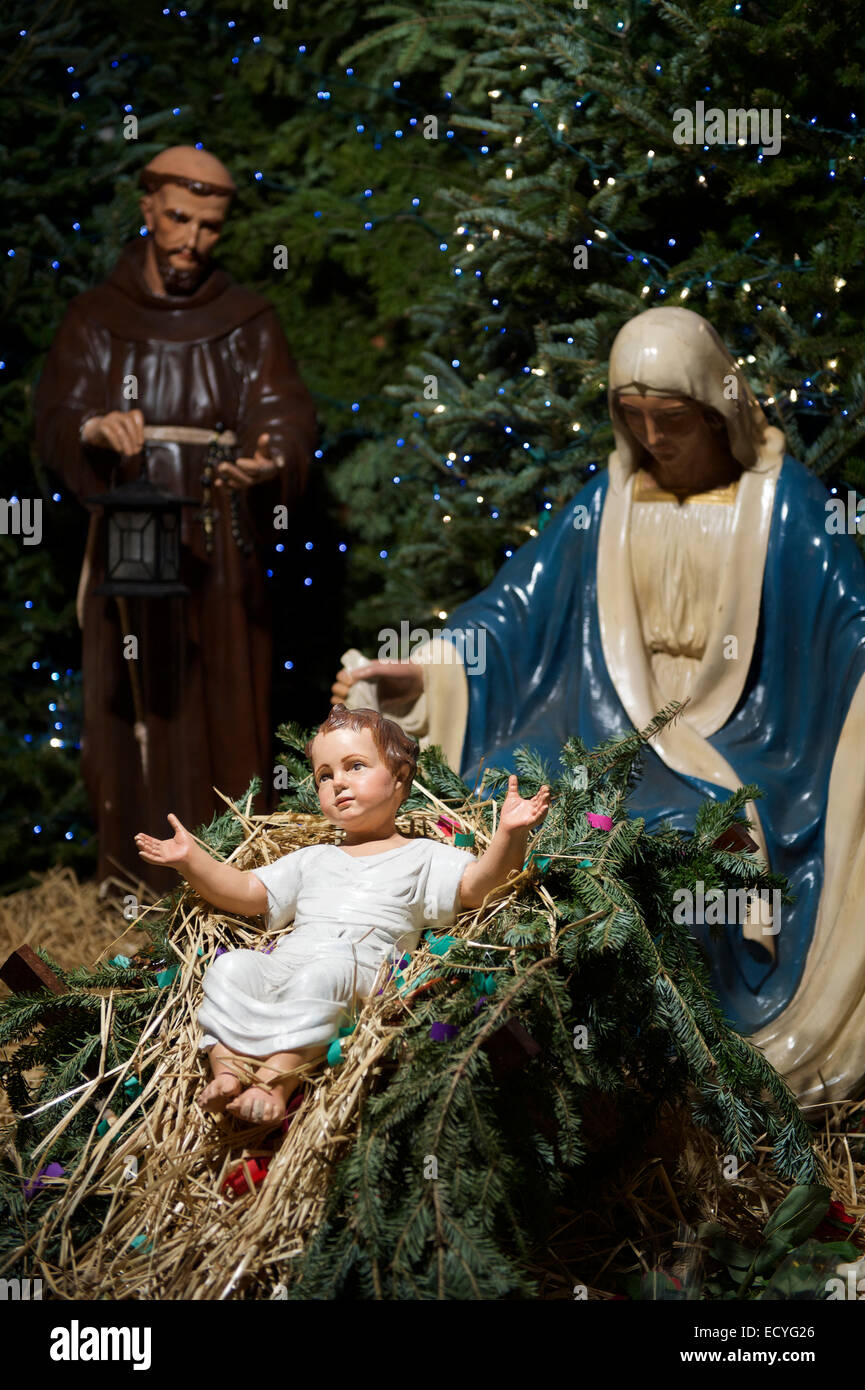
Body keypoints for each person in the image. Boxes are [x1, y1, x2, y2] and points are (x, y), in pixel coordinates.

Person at [331, 307, 865, 1105]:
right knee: (496, 792)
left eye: (672, 418)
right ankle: (477, 1033)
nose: (653, 436)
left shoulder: (781, 501)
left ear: (718, 409)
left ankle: (677, 1058)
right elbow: (511, 616)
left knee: (677, 842)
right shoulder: (607, 499)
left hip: (742, 742)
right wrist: (429, 675)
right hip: (602, 721)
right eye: (632, 417)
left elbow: (848, 627)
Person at [35, 145, 317, 894]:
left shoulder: (245, 320)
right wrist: (94, 430)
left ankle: (234, 881)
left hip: (218, 540)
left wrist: (269, 458)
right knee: (136, 700)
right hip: (131, 535)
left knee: (225, 697)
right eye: (180, 220)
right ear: (147, 208)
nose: (193, 241)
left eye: (211, 227)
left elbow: (284, 413)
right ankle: (136, 884)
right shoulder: (97, 318)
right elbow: (55, 420)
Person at [134, 705, 551, 1127]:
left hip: (358, 966)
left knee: (326, 977)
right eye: (325, 776)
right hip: (291, 959)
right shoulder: (313, 858)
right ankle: (225, 1072)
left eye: (355, 766)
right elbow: (246, 891)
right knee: (232, 969)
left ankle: (274, 1085)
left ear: (401, 779)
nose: (338, 784)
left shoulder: (424, 855)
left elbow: (480, 887)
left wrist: (509, 835)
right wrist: (191, 860)